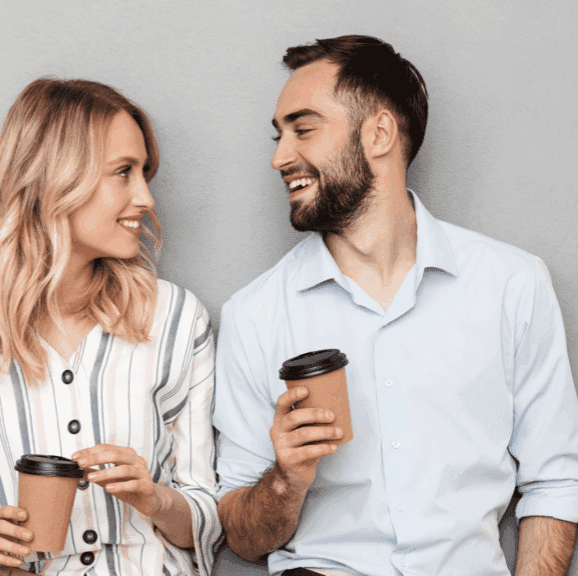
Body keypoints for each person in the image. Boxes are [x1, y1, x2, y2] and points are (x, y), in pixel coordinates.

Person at [213, 35, 578, 576]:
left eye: (303, 129)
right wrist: (286, 480)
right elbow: (242, 538)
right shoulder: (255, 314)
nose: (279, 157)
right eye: (279, 135)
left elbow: (555, 482)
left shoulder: (511, 285)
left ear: (379, 133)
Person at [0, 78, 221, 576]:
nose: (146, 198)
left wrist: (155, 500)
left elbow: (208, 519)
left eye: (144, 173)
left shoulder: (176, 319)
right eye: (123, 172)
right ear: (55, 180)